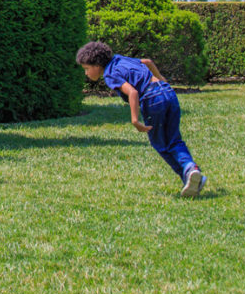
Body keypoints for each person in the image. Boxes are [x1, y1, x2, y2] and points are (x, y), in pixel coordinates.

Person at [77, 40, 206, 197]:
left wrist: (134, 120)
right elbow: (147, 62)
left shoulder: (110, 74)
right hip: (167, 92)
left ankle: (188, 174)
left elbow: (133, 92)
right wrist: (162, 79)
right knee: (174, 139)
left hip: (152, 99)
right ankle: (192, 171)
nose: (86, 73)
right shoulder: (119, 59)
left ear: (97, 65)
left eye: (87, 69)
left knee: (161, 144)